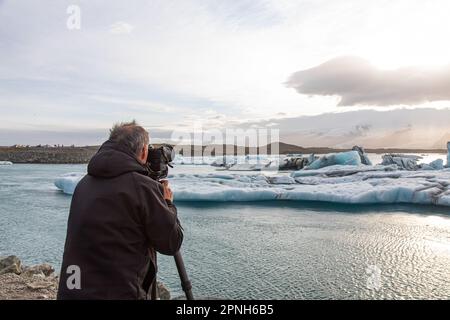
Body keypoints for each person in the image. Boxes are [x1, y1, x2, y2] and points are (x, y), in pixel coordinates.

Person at [57, 121, 183, 299]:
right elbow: (171, 243)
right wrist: (168, 203)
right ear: (143, 151)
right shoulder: (142, 187)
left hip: (74, 290)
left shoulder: (84, 183)